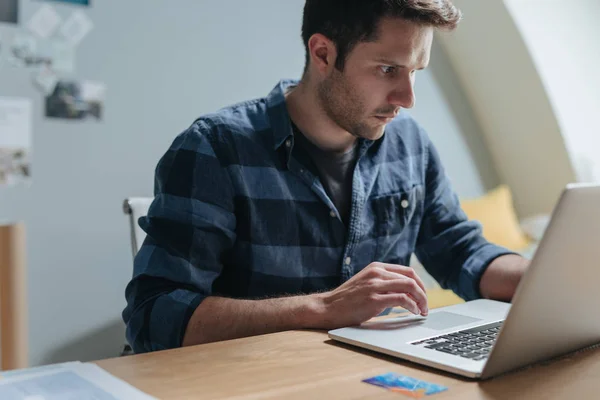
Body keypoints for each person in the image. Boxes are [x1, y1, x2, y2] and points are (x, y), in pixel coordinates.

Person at [123, 0, 530, 353]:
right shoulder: (215, 149)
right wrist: (322, 308)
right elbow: (153, 316)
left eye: (416, 70)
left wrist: (543, 279)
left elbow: (459, 250)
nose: (407, 98)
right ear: (323, 54)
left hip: (366, 378)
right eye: (388, 69)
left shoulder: (410, 145)